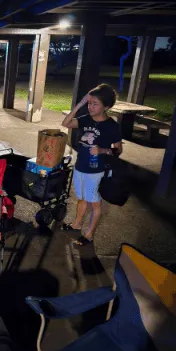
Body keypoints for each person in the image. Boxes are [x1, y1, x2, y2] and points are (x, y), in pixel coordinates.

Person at [62, 84, 123, 245]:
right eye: (89, 103)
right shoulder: (86, 119)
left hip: (95, 172)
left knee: (95, 203)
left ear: (106, 106)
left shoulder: (112, 126)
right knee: (81, 198)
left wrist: (102, 150)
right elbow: (66, 123)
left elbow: (118, 150)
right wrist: (80, 104)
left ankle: (89, 234)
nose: (91, 107)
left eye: (95, 104)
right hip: (80, 166)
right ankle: (76, 224)